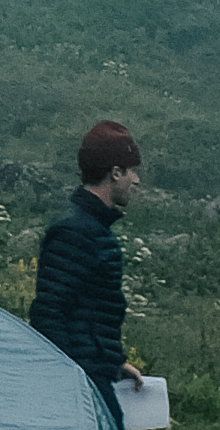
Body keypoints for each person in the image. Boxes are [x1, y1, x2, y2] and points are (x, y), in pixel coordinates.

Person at [30, 120, 141, 389]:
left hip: (93, 373)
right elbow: (49, 313)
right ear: (115, 172)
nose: (135, 180)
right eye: (131, 171)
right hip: (83, 382)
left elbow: (87, 315)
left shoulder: (90, 229)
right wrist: (71, 381)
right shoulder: (75, 232)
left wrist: (112, 363)